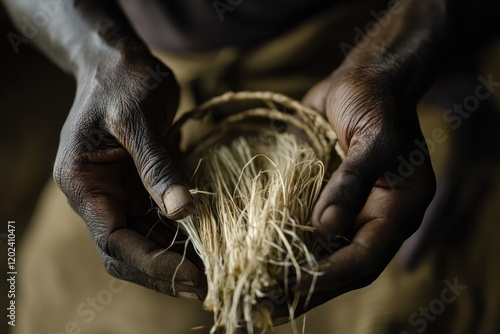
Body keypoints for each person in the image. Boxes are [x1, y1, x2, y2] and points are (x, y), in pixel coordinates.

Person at [3, 0, 500, 326]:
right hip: (143, 86)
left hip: (386, 69)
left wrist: (400, 59)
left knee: (427, 298)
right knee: (68, 296)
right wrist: (94, 53)